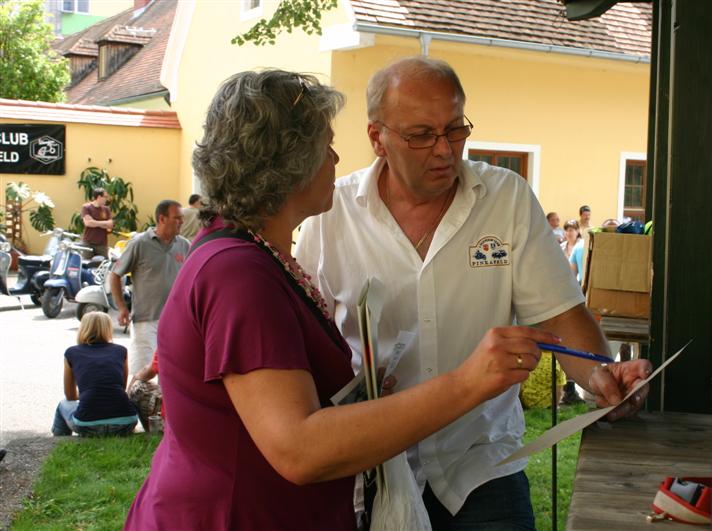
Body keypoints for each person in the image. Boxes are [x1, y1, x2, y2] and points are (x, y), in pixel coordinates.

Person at [124, 69, 555, 531]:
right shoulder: (239, 274)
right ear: (289, 163)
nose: (335, 158)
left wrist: (353, 402)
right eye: (325, 146)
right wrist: (469, 382)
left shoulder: (253, 256)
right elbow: (299, 449)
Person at [295, 56, 651, 529]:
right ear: (377, 138)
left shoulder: (505, 198)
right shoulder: (329, 213)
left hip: (481, 461)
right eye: (421, 135)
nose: (445, 149)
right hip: (372, 467)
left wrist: (603, 377)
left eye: (455, 129)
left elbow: (560, 317)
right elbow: (305, 344)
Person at [110, 200, 189, 375]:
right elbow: (115, 274)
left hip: (176, 321)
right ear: (162, 219)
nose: (181, 222)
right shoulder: (139, 243)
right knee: (142, 375)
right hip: (146, 320)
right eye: (177, 218)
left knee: (170, 375)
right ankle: (132, 403)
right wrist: (122, 307)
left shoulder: (183, 245)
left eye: (181, 218)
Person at [51, 312, 138, 437]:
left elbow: (70, 396)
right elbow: (120, 388)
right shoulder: (120, 351)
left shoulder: (71, 353)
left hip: (87, 425)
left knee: (63, 404)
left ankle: (59, 442)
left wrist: (88, 393)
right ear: (108, 329)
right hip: (126, 422)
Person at [127, 350, 162, 432]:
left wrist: (133, 381)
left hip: (176, 412)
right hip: (196, 409)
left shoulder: (168, 345)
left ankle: (151, 429)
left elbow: (147, 372)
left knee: (138, 386)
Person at [80, 187, 113, 258]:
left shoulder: (106, 209)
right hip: (88, 243)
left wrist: (94, 222)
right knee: (86, 264)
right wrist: (104, 223)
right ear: (99, 197)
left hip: (102, 245)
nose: (107, 199)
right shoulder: (86, 207)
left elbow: (110, 225)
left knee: (103, 265)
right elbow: (88, 223)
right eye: (105, 197)